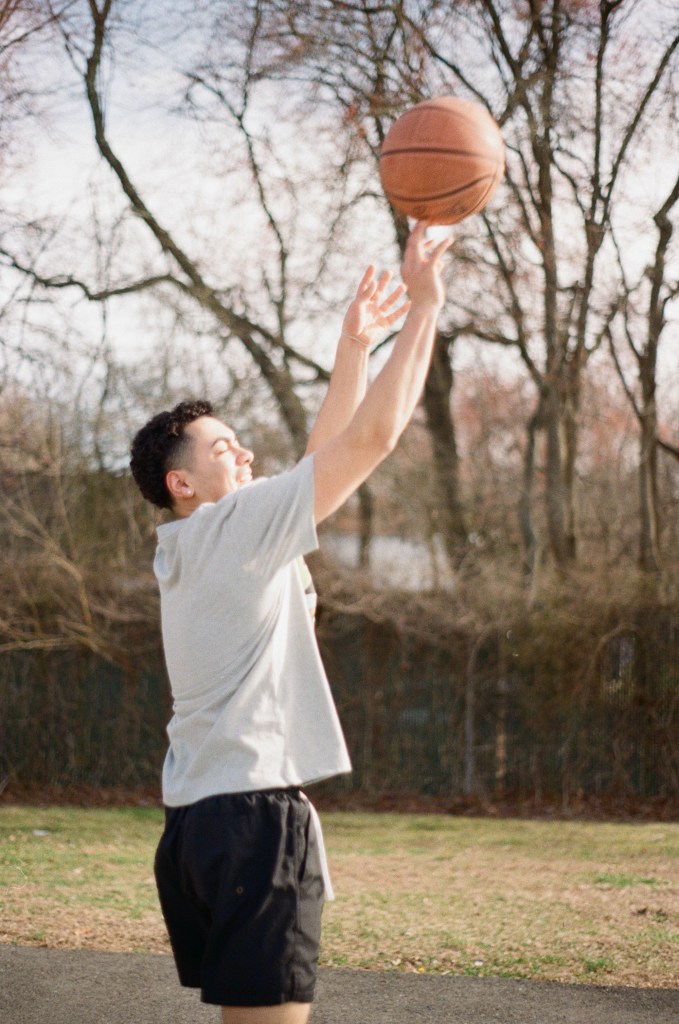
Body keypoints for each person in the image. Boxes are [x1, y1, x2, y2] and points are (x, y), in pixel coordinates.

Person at [129, 221, 451, 1024]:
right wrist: (424, 309)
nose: (244, 456)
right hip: (252, 819)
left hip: (195, 824)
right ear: (181, 482)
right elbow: (371, 439)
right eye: (224, 449)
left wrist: (354, 346)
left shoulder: (190, 546)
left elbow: (322, 453)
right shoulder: (236, 527)